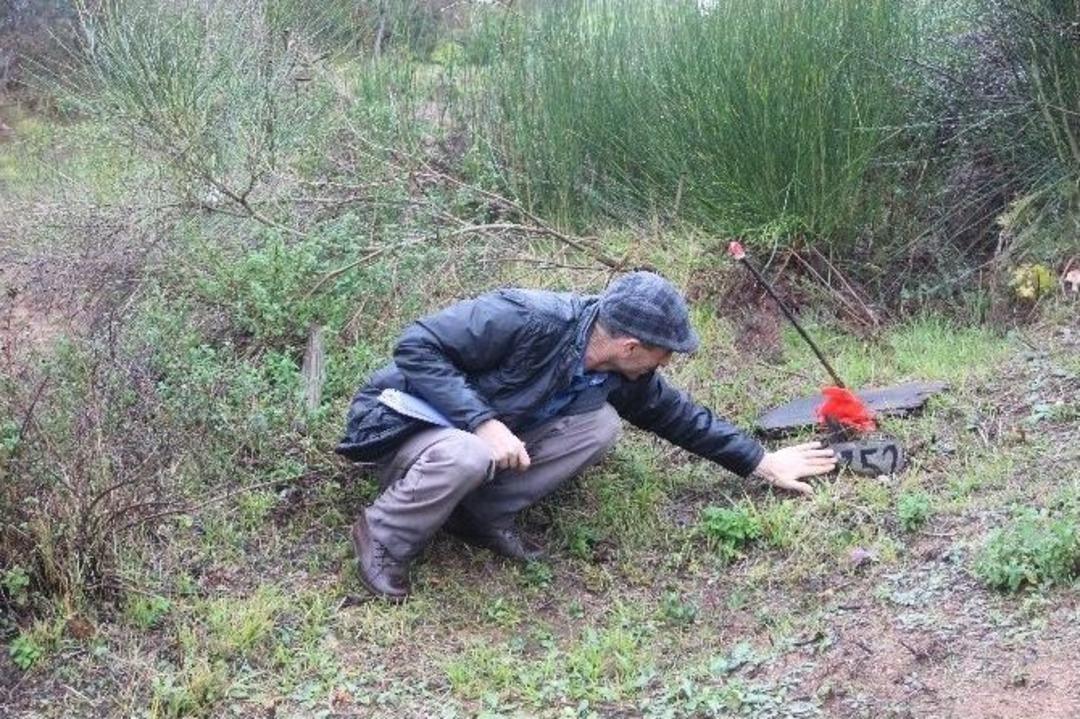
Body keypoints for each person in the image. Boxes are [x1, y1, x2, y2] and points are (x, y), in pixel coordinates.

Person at [336, 271, 837, 601]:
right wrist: (481, 422)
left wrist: (759, 461)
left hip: (464, 437)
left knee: (599, 426)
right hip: (404, 423)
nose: (666, 365)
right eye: (664, 355)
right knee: (469, 452)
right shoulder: (528, 316)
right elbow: (416, 345)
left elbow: (677, 416)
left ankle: (474, 516)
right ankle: (384, 536)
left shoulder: (622, 371)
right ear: (631, 345)